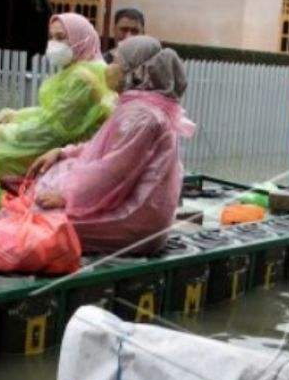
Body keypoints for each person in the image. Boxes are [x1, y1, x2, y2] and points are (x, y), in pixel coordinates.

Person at [27, 35, 195, 255]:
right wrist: (63, 152)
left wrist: (67, 196)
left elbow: (113, 172)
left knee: (38, 217)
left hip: (134, 221)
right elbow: (103, 148)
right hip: (139, 211)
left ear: (136, 70)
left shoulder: (142, 116)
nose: (108, 67)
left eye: (115, 61)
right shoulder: (139, 107)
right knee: (54, 176)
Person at [0, 13, 115, 223]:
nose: (53, 44)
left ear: (81, 39)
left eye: (61, 38)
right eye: (51, 37)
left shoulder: (81, 79)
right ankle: (8, 217)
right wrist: (18, 116)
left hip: (73, 154)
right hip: (76, 148)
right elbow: (52, 113)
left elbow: (49, 130)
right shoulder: (88, 68)